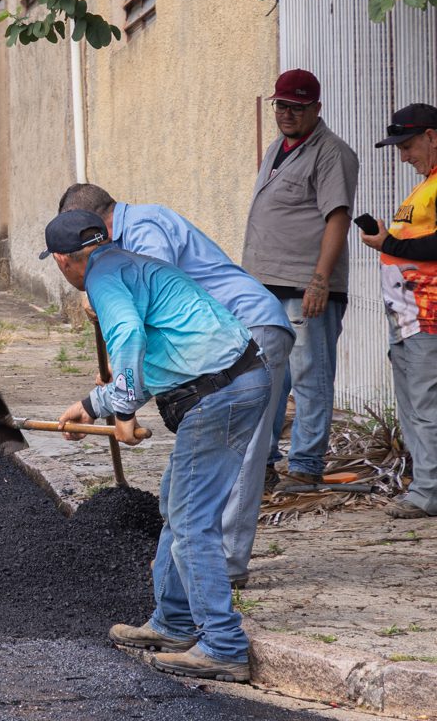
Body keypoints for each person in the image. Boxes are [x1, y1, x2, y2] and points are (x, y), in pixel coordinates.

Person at [45, 209, 270, 683]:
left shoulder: (101, 280)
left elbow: (126, 336)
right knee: (177, 503)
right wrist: (96, 405)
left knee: (191, 520)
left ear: (64, 261)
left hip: (219, 392)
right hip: (239, 378)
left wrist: (118, 401)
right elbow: (167, 351)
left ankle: (223, 645)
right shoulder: (130, 263)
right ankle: (173, 622)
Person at [58, 183, 291, 586]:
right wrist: (105, 399)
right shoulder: (119, 247)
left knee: (241, 453)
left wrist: (124, 397)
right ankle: (182, 581)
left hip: (243, 333)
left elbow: (143, 318)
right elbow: (151, 335)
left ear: (101, 226)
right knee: (191, 479)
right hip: (212, 349)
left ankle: (223, 566)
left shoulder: (144, 229)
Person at [240, 70, 359, 489]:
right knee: (266, 379)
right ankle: (264, 464)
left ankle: (306, 467)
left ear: (316, 109)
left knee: (310, 376)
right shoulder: (278, 147)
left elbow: (337, 217)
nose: (286, 113)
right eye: (281, 105)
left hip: (305, 288)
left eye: (296, 106)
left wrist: (320, 280)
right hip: (265, 287)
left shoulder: (331, 152)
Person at [358, 103, 437, 519]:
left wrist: (390, 245)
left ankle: (430, 493)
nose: (403, 156)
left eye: (407, 146)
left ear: (432, 137)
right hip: (408, 318)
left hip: (428, 318)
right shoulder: (425, 185)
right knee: (413, 408)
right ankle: (426, 487)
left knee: (426, 408)